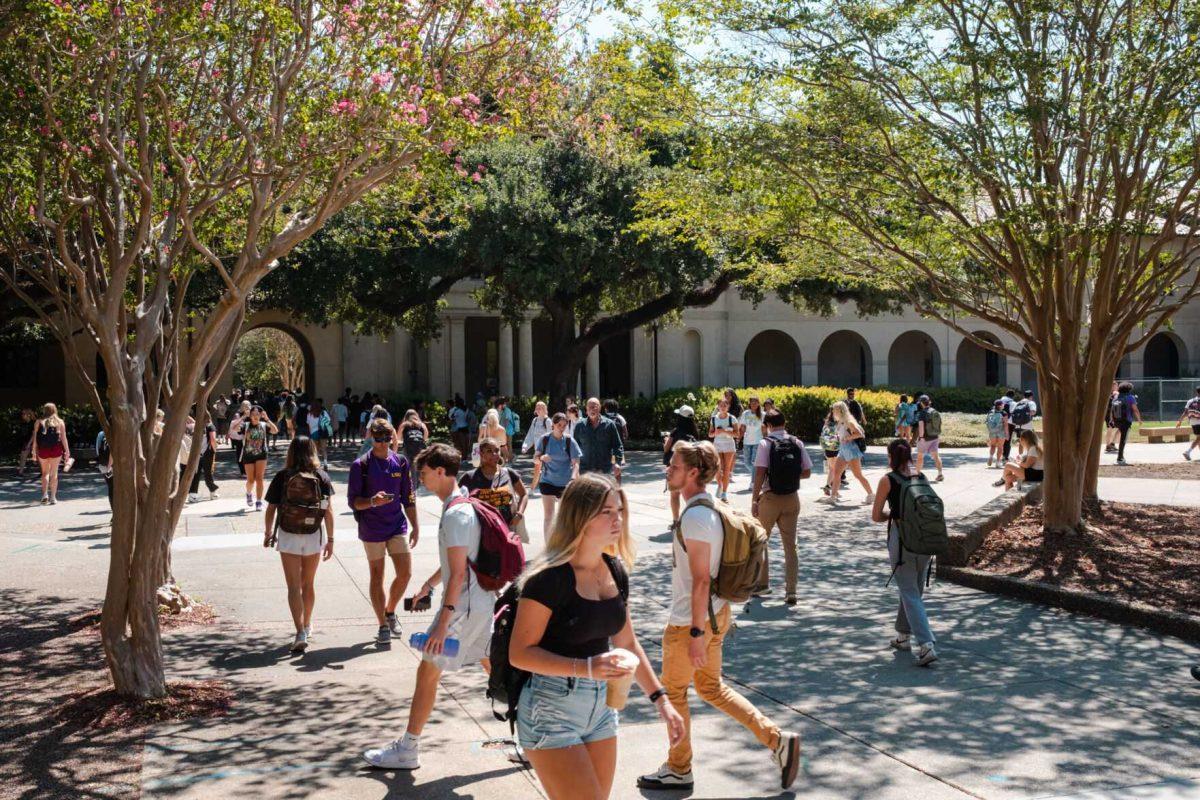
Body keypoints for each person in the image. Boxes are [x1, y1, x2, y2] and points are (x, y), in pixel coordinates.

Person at [510, 473, 686, 800]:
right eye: (606, 511)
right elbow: (519, 653)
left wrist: (662, 702)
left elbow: (628, 644)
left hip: (602, 710)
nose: (617, 519)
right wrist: (587, 667)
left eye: (619, 510)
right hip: (550, 709)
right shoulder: (548, 578)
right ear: (580, 515)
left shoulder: (614, 569)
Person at [638, 439, 801, 792]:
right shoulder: (708, 507)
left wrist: (696, 633)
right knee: (711, 688)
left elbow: (700, 580)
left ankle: (679, 768)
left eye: (676, 466)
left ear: (694, 473)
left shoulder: (696, 517)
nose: (669, 469)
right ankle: (777, 741)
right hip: (716, 613)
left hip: (691, 622)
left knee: (674, 693)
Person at [362, 443, 496, 771]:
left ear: (440, 472)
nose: (420, 479)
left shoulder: (456, 513)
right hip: (477, 603)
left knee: (428, 670)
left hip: (462, 607)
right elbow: (458, 562)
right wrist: (429, 584)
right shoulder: (464, 505)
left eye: (423, 473)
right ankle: (537, 737)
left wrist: (442, 620)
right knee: (496, 667)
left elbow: (460, 571)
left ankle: (408, 748)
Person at [349, 418, 420, 643]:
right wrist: (372, 501)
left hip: (396, 524)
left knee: (405, 573)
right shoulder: (360, 466)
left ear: (393, 438)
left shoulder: (400, 462)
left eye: (386, 438)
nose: (382, 443)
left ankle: (390, 611)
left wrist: (416, 525)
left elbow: (408, 497)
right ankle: (382, 625)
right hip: (371, 528)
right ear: (371, 438)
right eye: (378, 438)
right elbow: (353, 502)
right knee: (377, 575)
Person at [262, 435, 335, 653]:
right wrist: (330, 539)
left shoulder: (283, 476)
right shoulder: (321, 476)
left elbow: (271, 508)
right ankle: (308, 624)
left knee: (293, 586)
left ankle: (299, 631)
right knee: (308, 584)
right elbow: (328, 511)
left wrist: (268, 533)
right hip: (313, 534)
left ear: (291, 452)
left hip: (288, 534)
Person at [869, 439, 938, 666]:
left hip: (902, 540)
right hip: (926, 537)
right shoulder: (920, 475)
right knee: (912, 589)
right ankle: (902, 636)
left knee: (909, 591)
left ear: (890, 456)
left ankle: (927, 644)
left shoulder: (887, 480)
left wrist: (895, 514)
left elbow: (876, 515)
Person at [751, 410, 813, 604]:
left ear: (768, 425)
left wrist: (755, 499)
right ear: (784, 423)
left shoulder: (765, 444)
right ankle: (791, 591)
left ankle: (762, 584)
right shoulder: (797, 442)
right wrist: (789, 477)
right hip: (792, 499)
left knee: (761, 541)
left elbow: (760, 474)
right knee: (791, 546)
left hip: (770, 498)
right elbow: (807, 472)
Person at [459, 437, 529, 543]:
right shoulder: (469, 477)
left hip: (507, 532)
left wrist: (519, 514)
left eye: (497, 450)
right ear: (481, 454)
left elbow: (524, 494)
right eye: (489, 451)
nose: (495, 454)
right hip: (480, 535)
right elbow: (457, 502)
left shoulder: (509, 473)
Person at [536, 413, 583, 537]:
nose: (561, 428)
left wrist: (573, 477)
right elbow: (535, 458)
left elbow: (576, 463)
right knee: (549, 516)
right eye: (559, 425)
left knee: (566, 517)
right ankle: (548, 548)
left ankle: (565, 545)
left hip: (565, 483)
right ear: (553, 425)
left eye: (564, 425)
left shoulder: (569, 441)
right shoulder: (545, 439)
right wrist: (541, 457)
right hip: (547, 481)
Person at [822, 400, 874, 505]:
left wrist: (848, 437)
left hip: (851, 450)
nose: (833, 412)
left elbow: (860, 434)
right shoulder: (841, 421)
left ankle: (871, 494)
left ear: (840, 410)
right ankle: (833, 496)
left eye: (835, 410)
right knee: (837, 473)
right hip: (843, 450)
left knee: (858, 475)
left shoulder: (848, 421)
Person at [663, 405, 698, 526]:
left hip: (675, 466)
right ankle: (693, 520)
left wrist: (666, 439)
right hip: (690, 467)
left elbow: (666, 448)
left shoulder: (676, 431)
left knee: (675, 495)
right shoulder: (694, 431)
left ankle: (676, 521)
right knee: (690, 494)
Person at [237, 406, 277, 510]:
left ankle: (259, 501)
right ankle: (249, 493)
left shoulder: (264, 425)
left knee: (259, 479)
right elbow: (234, 429)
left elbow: (275, 430)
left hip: (261, 455)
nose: (255, 416)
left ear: (261, 415)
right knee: (251, 480)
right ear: (250, 416)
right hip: (248, 455)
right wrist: (242, 417)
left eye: (257, 414)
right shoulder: (245, 425)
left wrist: (267, 419)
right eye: (253, 414)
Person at [30, 403, 69, 505]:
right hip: (56, 449)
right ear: (55, 410)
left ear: (44, 410)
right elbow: (64, 438)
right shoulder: (60, 422)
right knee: (54, 473)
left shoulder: (39, 421)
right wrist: (67, 451)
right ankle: (53, 498)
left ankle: (44, 495)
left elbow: (35, 438)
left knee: (45, 473)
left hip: (43, 450)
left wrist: (34, 450)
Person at [575, 398, 624, 478]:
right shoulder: (579, 426)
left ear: (600, 408)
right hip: (585, 470)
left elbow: (617, 445)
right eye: (590, 407)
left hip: (604, 470)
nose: (592, 409)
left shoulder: (609, 425)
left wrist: (617, 463)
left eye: (595, 407)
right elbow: (575, 448)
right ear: (586, 409)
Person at [708, 398, 737, 501]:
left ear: (728, 407)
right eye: (721, 405)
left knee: (726, 469)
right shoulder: (714, 419)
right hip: (718, 444)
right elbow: (710, 434)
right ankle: (720, 485)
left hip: (729, 445)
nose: (723, 407)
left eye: (725, 405)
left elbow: (737, 434)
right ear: (718, 406)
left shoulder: (732, 418)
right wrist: (715, 432)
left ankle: (724, 493)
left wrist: (724, 431)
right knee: (717, 468)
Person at [187, 412, 220, 503]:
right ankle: (212, 492)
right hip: (207, 453)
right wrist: (215, 450)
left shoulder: (195, 426)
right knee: (208, 473)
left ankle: (192, 495)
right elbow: (213, 439)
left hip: (195, 453)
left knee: (195, 474)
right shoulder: (210, 426)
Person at [912, 395, 945, 482]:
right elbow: (939, 424)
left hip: (925, 438)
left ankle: (917, 475)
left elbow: (921, 427)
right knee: (936, 456)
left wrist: (921, 437)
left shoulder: (922, 413)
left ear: (922, 403)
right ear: (929, 402)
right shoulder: (934, 411)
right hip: (935, 437)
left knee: (920, 457)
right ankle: (940, 474)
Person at [522, 401, 554, 486]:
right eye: (537, 408)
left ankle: (552, 489)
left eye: (540, 408)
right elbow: (530, 434)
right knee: (537, 469)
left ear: (545, 409)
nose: (538, 410)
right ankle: (532, 488)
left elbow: (551, 436)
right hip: (538, 449)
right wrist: (525, 446)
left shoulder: (548, 421)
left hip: (547, 450)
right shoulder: (535, 420)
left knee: (549, 470)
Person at [1109, 382, 1140, 465]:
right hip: (1126, 421)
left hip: (1117, 421)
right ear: (1129, 389)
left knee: (1122, 439)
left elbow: (1112, 409)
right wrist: (1139, 419)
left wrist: (1112, 420)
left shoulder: (1116, 397)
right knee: (1123, 440)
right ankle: (1120, 458)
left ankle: (1120, 457)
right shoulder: (1130, 397)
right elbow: (1135, 409)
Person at [737, 395, 764, 488]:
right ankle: (759, 476)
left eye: (755, 402)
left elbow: (764, 429)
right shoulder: (746, 413)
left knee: (753, 462)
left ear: (758, 403)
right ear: (750, 403)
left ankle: (753, 483)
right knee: (747, 462)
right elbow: (743, 427)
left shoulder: (762, 414)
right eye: (752, 402)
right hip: (747, 441)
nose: (754, 404)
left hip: (758, 440)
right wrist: (739, 437)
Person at [819, 409, 841, 496]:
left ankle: (830, 487)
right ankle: (832, 488)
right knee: (836, 470)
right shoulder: (839, 422)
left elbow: (822, 434)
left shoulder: (826, 422)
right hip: (836, 448)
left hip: (828, 448)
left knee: (832, 469)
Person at [306, 398, 334, 469]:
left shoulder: (309, 414)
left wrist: (310, 434)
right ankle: (325, 463)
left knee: (315, 449)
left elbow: (309, 425)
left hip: (313, 433)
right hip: (323, 432)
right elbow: (328, 422)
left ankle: (317, 464)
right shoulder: (324, 412)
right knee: (324, 448)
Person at [228, 400, 252, 476]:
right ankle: (243, 471)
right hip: (240, 438)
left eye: (248, 406)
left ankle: (248, 471)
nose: (247, 407)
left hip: (250, 438)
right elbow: (234, 425)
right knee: (240, 455)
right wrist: (243, 417)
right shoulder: (238, 415)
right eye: (245, 406)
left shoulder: (252, 414)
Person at [1178, 385, 1200, 461]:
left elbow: (1185, 412)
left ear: (1197, 392)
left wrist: (1179, 421)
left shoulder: (1190, 401)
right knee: (1199, 438)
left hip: (1193, 421)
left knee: (1198, 438)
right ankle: (1187, 452)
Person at [985, 399, 1007, 468]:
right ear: (1000, 406)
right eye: (1003, 404)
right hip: (1001, 432)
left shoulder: (990, 412)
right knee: (1000, 447)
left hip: (992, 432)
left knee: (993, 445)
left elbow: (987, 422)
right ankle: (997, 462)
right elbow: (1005, 424)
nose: (1004, 405)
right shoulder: (1004, 413)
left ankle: (991, 456)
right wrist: (1007, 434)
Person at [497, 397, 520, 462]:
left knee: (508, 444)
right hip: (504, 430)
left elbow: (507, 420)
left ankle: (509, 458)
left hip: (508, 430)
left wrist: (503, 429)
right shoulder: (502, 410)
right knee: (504, 444)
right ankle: (506, 458)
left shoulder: (507, 410)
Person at [96, 428, 113, 508]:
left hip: (104, 466)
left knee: (111, 488)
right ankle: (116, 511)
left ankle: (114, 510)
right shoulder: (121, 433)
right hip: (115, 466)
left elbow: (97, 450)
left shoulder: (101, 434)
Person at [999, 389, 1018, 460]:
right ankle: (1005, 456)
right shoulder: (1013, 403)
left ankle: (999, 455)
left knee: (1000, 439)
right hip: (1009, 423)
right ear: (1013, 396)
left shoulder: (1000, 401)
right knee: (1008, 440)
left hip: (999, 422)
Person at [1103, 381, 1121, 454]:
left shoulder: (1117, 394)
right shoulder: (1109, 395)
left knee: (1121, 429)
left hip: (1116, 414)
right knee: (1109, 429)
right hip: (1109, 414)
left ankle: (1112, 444)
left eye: (1116, 386)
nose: (1116, 387)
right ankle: (1108, 445)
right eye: (1114, 386)